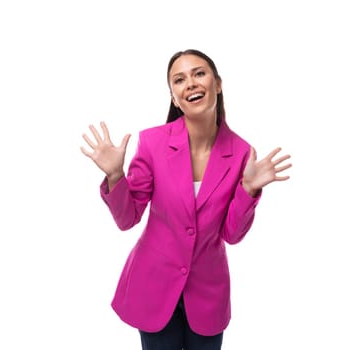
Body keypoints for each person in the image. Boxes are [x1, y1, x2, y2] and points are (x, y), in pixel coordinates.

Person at [80, 49, 292, 350]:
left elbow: (231, 235)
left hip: (208, 295)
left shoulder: (243, 153)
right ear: (174, 97)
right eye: (179, 80)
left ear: (217, 83)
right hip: (152, 286)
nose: (190, 83)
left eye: (199, 73)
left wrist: (248, 189)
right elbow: (128, 219)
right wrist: (116, 176)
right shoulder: (152, 143)